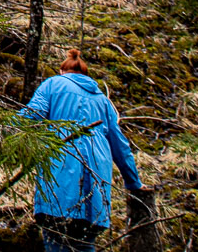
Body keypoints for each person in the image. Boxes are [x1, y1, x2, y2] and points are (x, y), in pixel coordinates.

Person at [19, 48, 143, 252]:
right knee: (84, 243)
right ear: (85, 76)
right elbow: (120, 146)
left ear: (62, 71)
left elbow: (32, 115)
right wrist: (133, 183)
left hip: (59, 187)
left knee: (57, 239)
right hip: (96, 194)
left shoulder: (53, 84)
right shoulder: (102, 100)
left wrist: (1, 129)